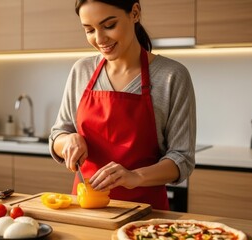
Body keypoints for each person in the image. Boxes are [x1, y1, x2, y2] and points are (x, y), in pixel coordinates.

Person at [49, 0, 196, 210]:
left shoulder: (172, 76)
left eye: (109, 26)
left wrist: (135, 176)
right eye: (89, 30)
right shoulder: (81, 70)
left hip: (147, 215)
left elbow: (182, 158)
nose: (99, 39)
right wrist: (68, 141)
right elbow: (58, 135)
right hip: (85, 210)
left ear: (134, 13)